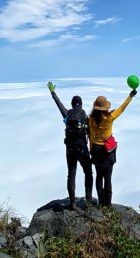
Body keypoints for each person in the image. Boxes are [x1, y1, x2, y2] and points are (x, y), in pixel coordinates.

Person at [47, 81, 93, 210]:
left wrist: (52, 92)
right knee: (88, 173)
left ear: (72, 104)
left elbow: (58, 103)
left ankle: (72, 203)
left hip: (70, 150)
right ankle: (88, 201)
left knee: (71, 174)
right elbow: (90, 132)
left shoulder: (67, 114)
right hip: (83, 150)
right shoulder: (84, 116)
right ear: (81, 104)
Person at [88, 88, 137, 207]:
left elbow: (91, 137)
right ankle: (108, 205)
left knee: (99, 177)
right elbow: (122, 107)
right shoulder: (110, 118)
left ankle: (101, 202)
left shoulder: (91, 119)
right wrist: (130, 95)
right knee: (108, 178)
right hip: (108, 151)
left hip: (97, 151)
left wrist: (91, 150)